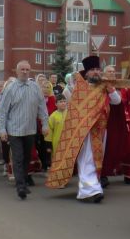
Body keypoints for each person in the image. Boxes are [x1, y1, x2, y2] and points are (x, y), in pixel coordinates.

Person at [45, 56, 121, 203]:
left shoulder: (104, 86)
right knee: (87, 160)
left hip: (100, 130)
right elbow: (76, 111)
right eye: (93, 70)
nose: (96, 72)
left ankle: (89, 189)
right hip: (84, 132)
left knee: (95, 160)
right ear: (86, 73)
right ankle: (91, 190)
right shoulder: (80, 88)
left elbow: (117, 101)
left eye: (98, 69)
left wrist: (111, 89)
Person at [0, 61, 49, 200]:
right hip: (14, 130)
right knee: (18, 158)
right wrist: (2, 129)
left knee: (27, 157)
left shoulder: (35, 88)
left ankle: (24, 180)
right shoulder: (10, 88)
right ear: (17, 71)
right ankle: (20, 186)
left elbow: (42, 107)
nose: (25, 72)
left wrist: (45, 125)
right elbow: (2, 111)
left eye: (27, 69)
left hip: (30, 129)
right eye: (23, 69)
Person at [100, 65, 128, 187]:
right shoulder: (99, 85)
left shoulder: (115, 86)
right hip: (97, 122)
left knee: (107, 148)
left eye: (113, 71)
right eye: (109, 72)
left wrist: (111, 89)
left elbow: (117, 101)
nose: (112, 73)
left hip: (109, 123)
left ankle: (103, 174)